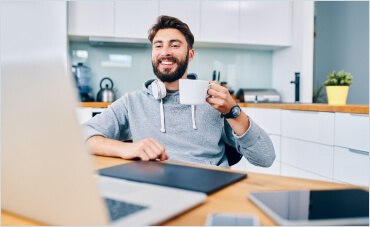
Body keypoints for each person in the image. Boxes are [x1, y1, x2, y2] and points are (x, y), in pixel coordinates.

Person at [84, 15, 275, 169]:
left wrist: (233, 111)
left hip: (210, 186)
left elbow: (265, 158)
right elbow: (81, 136)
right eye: (158, 45)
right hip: (155, 186)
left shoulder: (216, 103)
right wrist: (124, 148)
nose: (165, 52)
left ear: (190, 54)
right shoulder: (132, 103)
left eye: (174, 45)